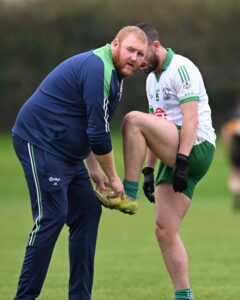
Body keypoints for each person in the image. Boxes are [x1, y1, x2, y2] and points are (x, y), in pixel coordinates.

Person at [12, 26, 147, 300]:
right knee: (52, 216)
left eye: (140, 54)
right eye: (130, 49)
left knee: (87, 211)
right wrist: (114, 178)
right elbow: (99, 134)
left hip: (66, 151)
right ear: (115, 44)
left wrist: (94, 169)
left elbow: (87, 122)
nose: (134, 57)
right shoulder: (98, 68)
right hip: (39, 140)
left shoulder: (116, 77)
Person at [101, 23, 216, 300]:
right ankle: (183, 295)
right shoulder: (152, 79)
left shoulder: (182, 68)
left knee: (132, 120)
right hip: (175, 152)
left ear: (156, 46)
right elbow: (157, 128)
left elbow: (190, 119)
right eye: (134, 55)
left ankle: (127, 193)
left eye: (142, 54)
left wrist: (184, 160)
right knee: (164, 229)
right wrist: (150, 171)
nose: (138, 61)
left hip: (195, 148)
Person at [220, 98, 240, 210]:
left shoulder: (232, 118)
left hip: (236, 151)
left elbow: (226, 134)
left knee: (234, 174)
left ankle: (236, 195)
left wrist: (227, 148)